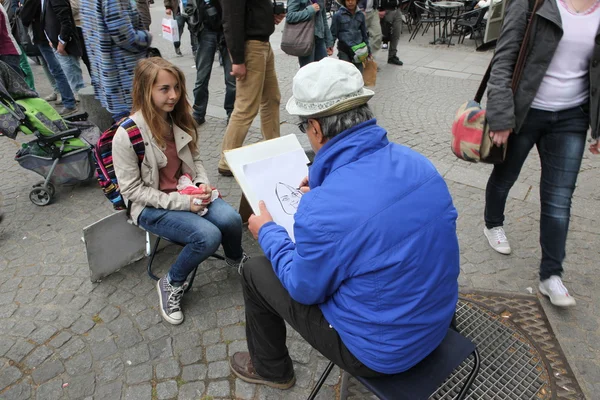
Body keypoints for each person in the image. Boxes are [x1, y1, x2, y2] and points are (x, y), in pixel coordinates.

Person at [229, 58, 459, 389]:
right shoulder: (418, 163)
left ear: (316, 127)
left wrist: (267, 231)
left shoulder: (323, 210)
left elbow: (302, 288)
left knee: (254, 271)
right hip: (439, 323)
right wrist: (326, 186)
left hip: (381, 354)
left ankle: (271, 369)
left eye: (304, 128)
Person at [112, 58, 247, 325]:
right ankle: (171, 283)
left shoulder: (180, 119)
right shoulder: (127, 135)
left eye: (176, 87)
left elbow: (195, 161)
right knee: (207, 236)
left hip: (187, 190)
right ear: (144, 90)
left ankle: (235, 258)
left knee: (231, 220)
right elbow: (132, 190)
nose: (173, 95)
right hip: (151, 206)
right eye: (164, 89)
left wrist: (201, 184)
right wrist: (185, 204)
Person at [484, 0, 600, 307]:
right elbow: (504, 57)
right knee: (505, 175)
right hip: (526, 111)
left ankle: (551, 275)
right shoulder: (532, 2)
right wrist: (500, 115)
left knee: (559, 198)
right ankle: (493, 223)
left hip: (572, 116)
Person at [217, 0, 285, 176]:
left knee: (272, 99)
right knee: (246, 106)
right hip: (251, 46)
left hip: (262, 43)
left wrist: (270, 14)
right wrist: (238, 60)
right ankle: (227, 159)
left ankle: (274, 148)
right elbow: (231, 19)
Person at [81, 0, 151, 121]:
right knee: (138, 127)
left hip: (109, 75)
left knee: (127, 127)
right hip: (125, 78)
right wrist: (146, 36)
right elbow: (125, 37)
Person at [20, 0, 77, 113]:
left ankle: (69, 102)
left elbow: (25, 18)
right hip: (47, 37)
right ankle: (64, 96)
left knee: (57, 70)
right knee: (54, 69)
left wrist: (62, 40)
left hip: (47, 37)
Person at [190, 0, 236, 125]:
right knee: (202, 77)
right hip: (206, 30)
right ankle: (198, 113)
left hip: (227, 30)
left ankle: (231, 112)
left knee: (232, 78)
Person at [41, 0, 86, 103]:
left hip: (64, 43)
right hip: (56, 41)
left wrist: (62, 41)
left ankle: (85, 107)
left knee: (76, 83)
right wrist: (50, 39)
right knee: (70, 77)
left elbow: (66, 20)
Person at [286, 0, 333, 68]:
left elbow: (323, 19)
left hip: (320, 39)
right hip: (305, 39)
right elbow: (290, 16)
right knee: (308, 72)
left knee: (323, 70)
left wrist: (329, 41)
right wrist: (310, 10)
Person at [330, 0, 370, 73]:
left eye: (352, 0)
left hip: (358, 50)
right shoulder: (338, 15)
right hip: (344, 49)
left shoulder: (361, 15)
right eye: (348, 0)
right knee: (346, 74)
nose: (350, 2)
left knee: (358, 74)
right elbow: (333, 33)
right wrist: (330, 46)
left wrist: (368, 50)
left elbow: (364, 34)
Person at [379, 0, 403, 65]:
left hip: (397, 10)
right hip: (387, 10)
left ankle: (392, 56)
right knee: (385, 33)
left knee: (396, 33)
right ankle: (371, 56)